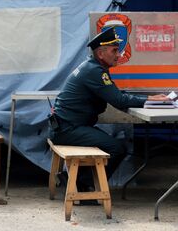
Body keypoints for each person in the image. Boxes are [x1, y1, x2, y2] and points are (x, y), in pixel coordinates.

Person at [49, 26, 169, 192]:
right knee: (116, 148)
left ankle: (77, 180)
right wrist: (149, 99)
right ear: (100, 53)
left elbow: (114, 93)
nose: (118, 55)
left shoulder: (91, 67)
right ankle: (82, 184)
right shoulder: (95, 71)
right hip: (68, 129)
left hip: (66, 126)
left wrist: (145, 98)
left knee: (108, 143)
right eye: (114, 51)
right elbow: (119, 100)